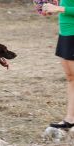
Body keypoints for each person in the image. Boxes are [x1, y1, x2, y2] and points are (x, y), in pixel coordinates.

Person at [42, 0, 74, 129]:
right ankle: (70, 119)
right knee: (71, 78)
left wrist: (59, 8)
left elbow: (63, 8)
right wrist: (51, 8)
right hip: (64, 33)